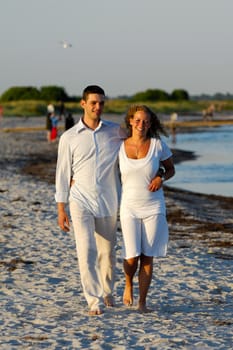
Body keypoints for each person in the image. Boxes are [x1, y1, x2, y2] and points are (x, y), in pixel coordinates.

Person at [55, 85, 126, 315]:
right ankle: (93, 301)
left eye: (101, 103)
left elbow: (138, 146)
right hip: (79, 201)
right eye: (94, 102)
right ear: (83, 104)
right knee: (86, 251)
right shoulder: (68, 137)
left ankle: (107, 291)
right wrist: (61, 208)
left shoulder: (116, 132)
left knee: (107, 252)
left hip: (108, 200)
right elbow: (63, 174)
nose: (98, 107)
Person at [118, 104, 175, 313]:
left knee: (147, 256)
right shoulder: (119, 146)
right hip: (129, 207)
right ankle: (128, 282)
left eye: (146, 121)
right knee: (131, 256)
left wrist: (161, 177)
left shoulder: (158, 145)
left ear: (150, 124)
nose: (141, 124)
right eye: (138, 120)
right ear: (131, 121)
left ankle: (142, 302)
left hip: (153, 206)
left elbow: (171, 169)